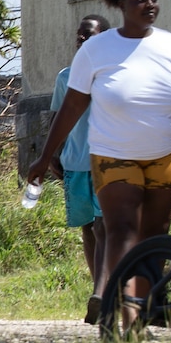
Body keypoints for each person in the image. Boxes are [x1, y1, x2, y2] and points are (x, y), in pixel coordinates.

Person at [30, 0, 171, 332]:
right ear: (121, 5)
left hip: (166, 153)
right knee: (119, 229)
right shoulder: (97, 50)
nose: (148, 5)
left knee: (155, 234)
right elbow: (71, 107)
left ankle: (139, 306)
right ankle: (120, 310)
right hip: (113, 153)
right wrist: (45, 157)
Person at [52, 15, 111, 287]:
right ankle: (95, 284)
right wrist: (52, 153)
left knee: (104, 225)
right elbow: (56, 118)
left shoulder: (112, 75)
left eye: (90, 35)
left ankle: (107, 287)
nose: (83, 40)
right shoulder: (66, 77)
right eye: (80, 36)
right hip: (75, 162)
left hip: (107, 160)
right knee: (88, 226)